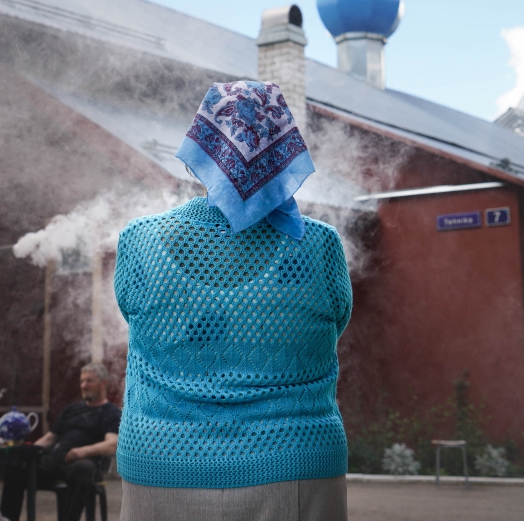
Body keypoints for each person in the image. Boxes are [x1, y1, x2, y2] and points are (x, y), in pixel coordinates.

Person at [114, 81, 352, 521]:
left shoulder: (140, 240)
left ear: (201, 148)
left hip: (162, 462)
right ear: (286, 149)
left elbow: (132, 312)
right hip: (296, 462)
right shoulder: (319, 246)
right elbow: (336, 322)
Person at [0, 363, 120, 521]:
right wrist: (26, 451)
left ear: (103, 383)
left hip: (85, 463)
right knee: (16, 468)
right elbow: (49, 438)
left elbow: (112, 444)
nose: (83, 385)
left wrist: (84, 451)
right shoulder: (71, 409)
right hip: (55, 461)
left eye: (89, 381)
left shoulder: (111, 413)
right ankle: (6, 518)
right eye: (82, 381)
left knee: (82, 469)